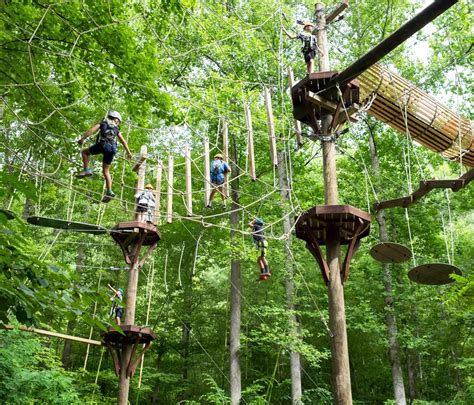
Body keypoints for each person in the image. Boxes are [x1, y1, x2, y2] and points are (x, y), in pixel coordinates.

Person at [77, 111, 133, 202]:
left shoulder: (103, 123)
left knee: (84, 152)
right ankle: (109, 191)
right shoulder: (116, 129)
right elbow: (123, 141)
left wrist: (83, 138)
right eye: (118, 121)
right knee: (106, 171)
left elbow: (91, 131)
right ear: (115, 119)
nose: (118, 123)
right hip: (113, 150)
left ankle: (86, 170)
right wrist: (128, 153)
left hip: (104, 145)